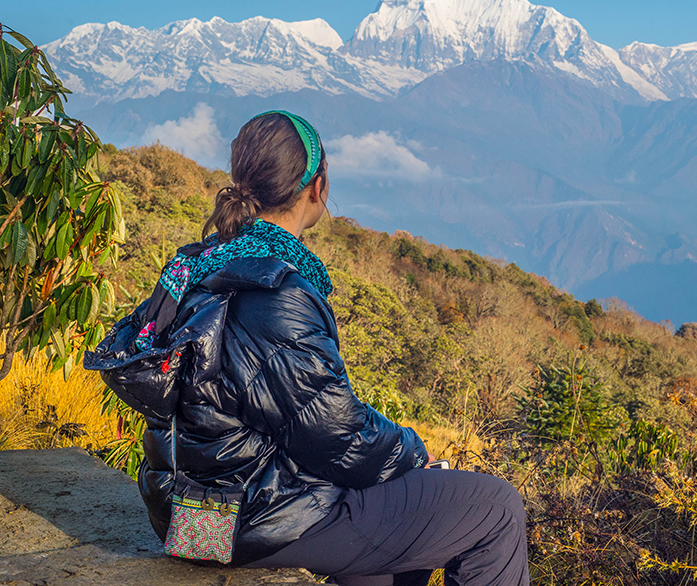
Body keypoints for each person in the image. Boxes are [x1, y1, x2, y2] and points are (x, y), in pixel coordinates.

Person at [85, 111, 529, 586]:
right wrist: (414, 452)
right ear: (316, 188)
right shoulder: (273, 292)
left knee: (391, 531)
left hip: (192, 514)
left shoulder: (195, 265)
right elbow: (339, 437)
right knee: (496, 510)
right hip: (254, 520)